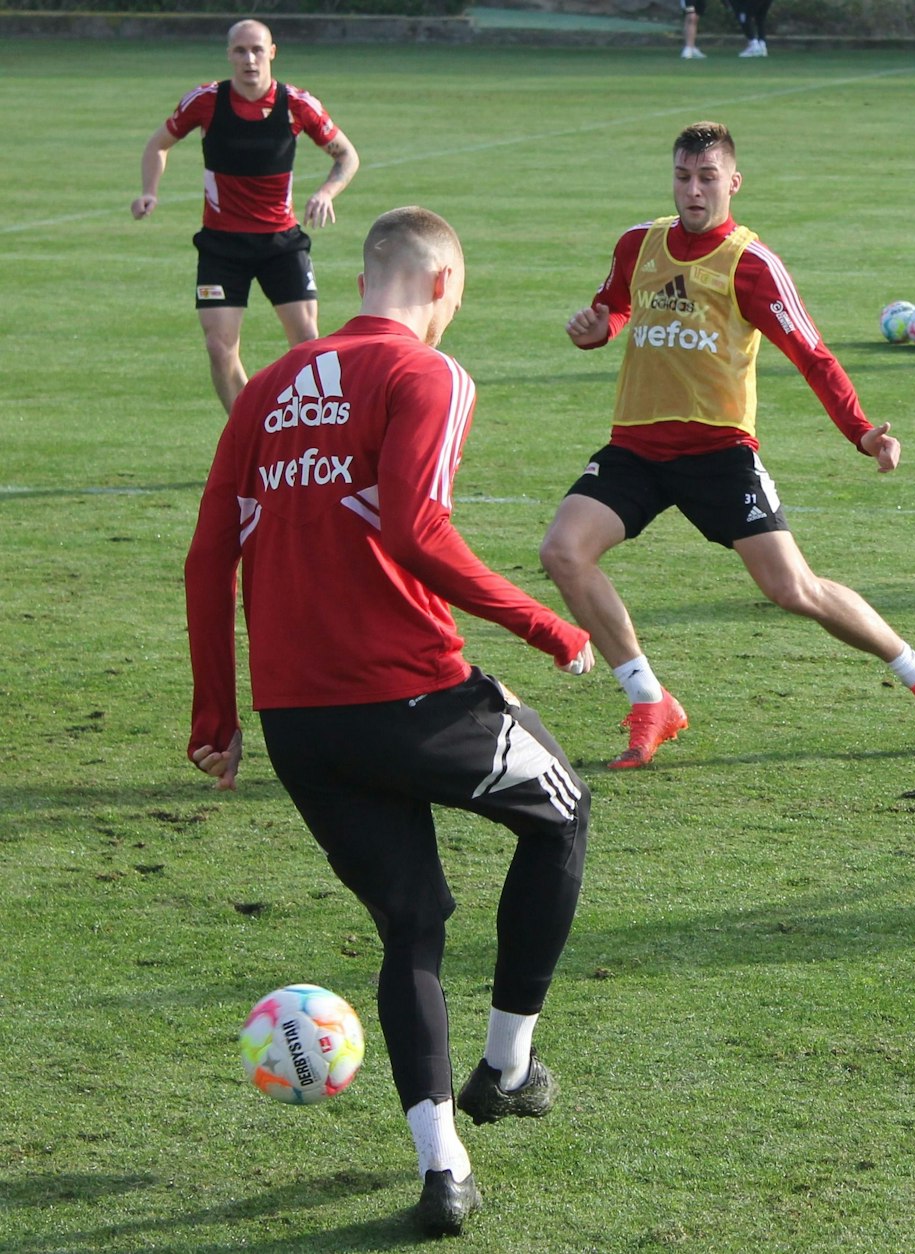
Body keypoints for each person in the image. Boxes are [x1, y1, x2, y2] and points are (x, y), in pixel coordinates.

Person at [185, 206, 596, 1239]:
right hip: (409, 698)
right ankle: (504, 1069)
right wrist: (540, 619)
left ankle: (442, 1169)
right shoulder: (427, 376)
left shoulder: (270, 386)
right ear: (445, 283)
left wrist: (215, 713)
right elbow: (416, 527)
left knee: (410, 924)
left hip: (298, 723)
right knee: (562, 813)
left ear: (364, 278)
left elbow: (207, 558)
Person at [541, 121, 915, 770]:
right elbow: (614, 310)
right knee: (563, 553)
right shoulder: (638, 244)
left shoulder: (751, 263)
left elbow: (811, 353)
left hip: (719, 455)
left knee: (792, 588)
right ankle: (649, 700)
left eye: (707, 178)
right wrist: (595, 330)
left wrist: (861, 431)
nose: (693, 190)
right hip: (636, 447)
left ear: (733, 182)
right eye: (683, 176)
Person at [132, 19, 360, 414]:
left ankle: (310, 436)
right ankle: (246, 436)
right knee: (219, 348)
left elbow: (346, 154)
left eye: (257, 50)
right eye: (240, 51)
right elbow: (159, 144)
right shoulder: (205, 101)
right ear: (229, 56)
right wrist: (150, 191)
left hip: (281, 243)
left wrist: (326, 192)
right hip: (222, 246)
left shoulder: (298, 104)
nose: (249, 59)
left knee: (308, 345)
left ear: (272, 52)